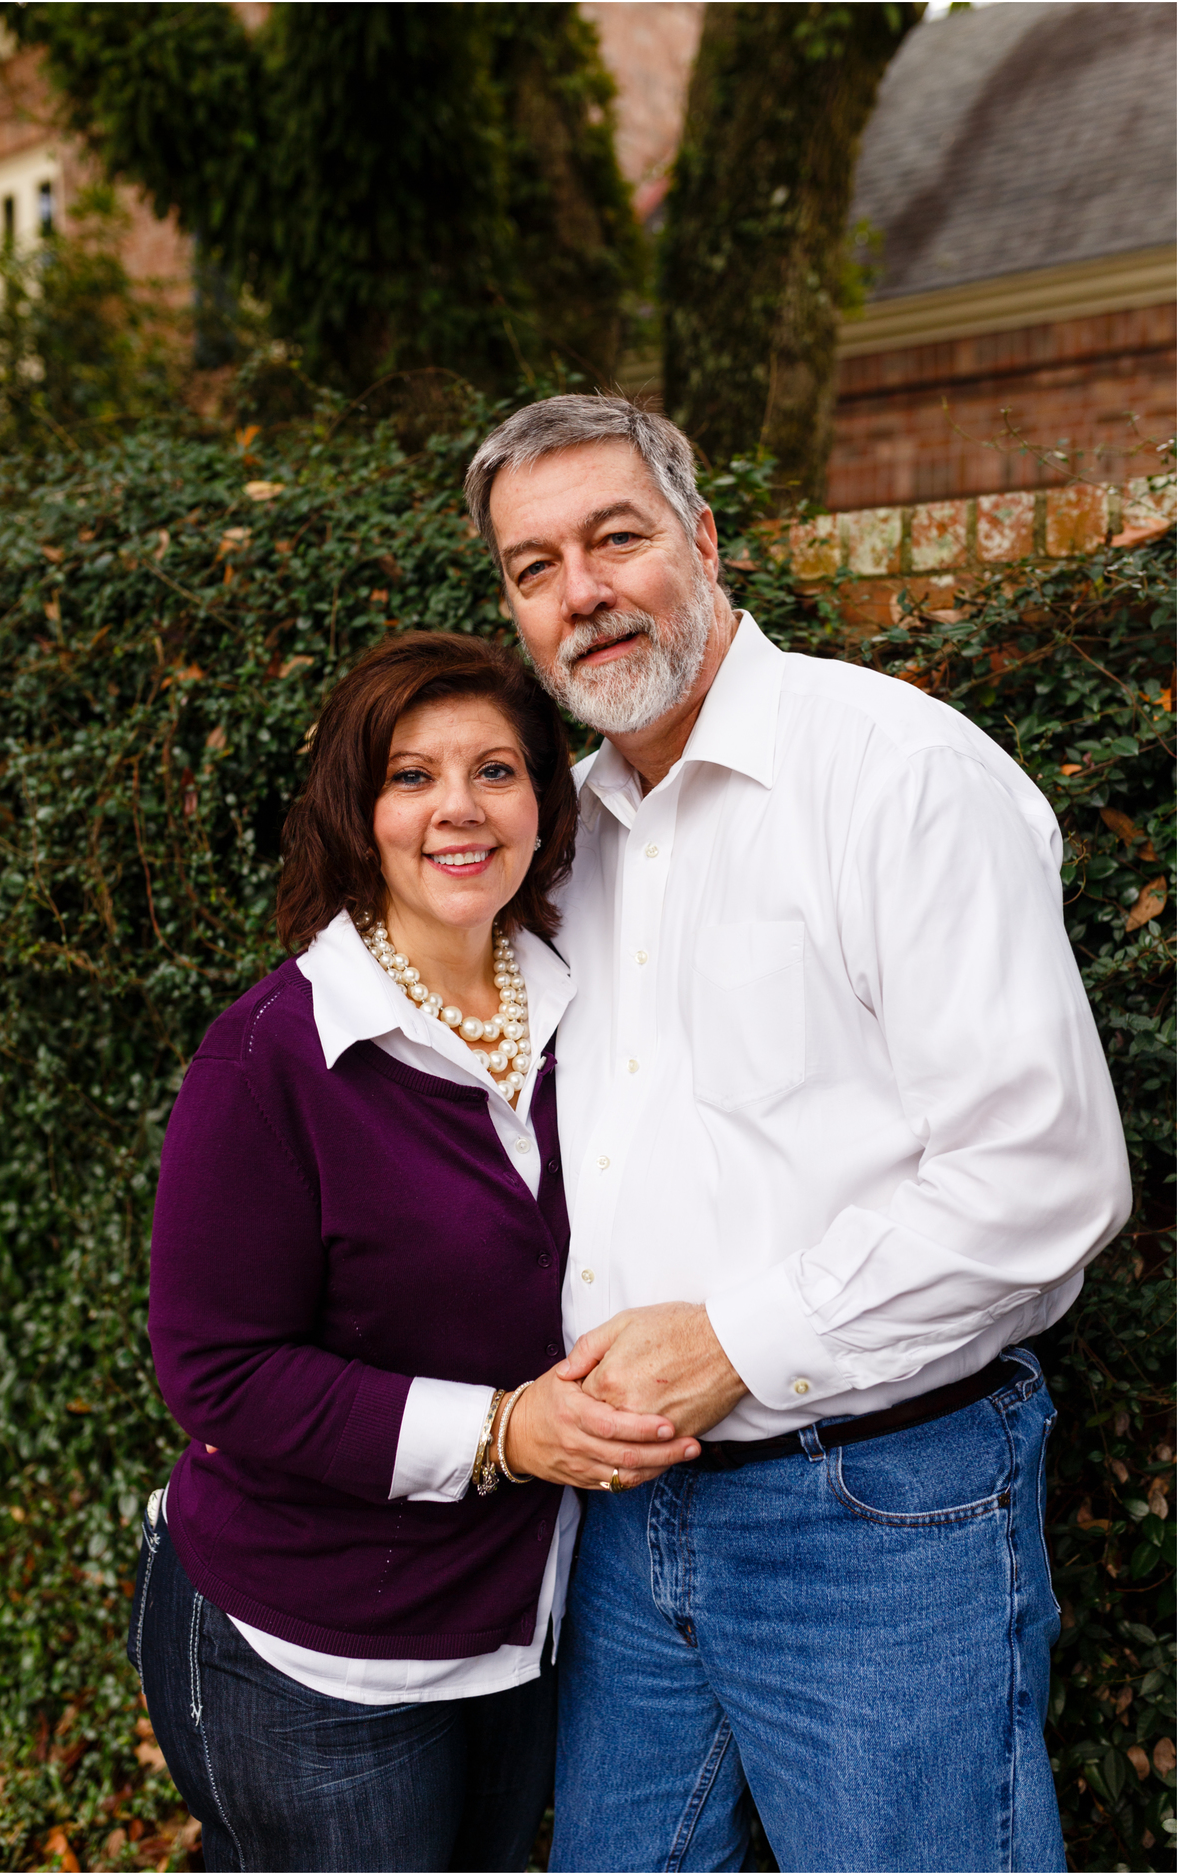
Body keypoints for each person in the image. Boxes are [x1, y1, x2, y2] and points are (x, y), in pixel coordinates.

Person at [462, 394, 1130, 1872]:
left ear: (702, 541)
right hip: (628, 1529)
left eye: (614, 537)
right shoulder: (560, 847)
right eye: (533, 566)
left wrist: (741, 1340)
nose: (581, 592)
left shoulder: (894, 774)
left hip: (879, 1511)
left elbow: (1048, 1171)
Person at [134, 633, 702, 1872]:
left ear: (545, 804)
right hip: (315, 1651)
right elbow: (218, 1376)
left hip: (527, 1624)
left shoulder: (593, 1016)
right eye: (411, 776)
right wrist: (503, 1433)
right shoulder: (272, 1059)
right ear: (360, 810)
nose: (457, 808)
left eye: (494, 770)